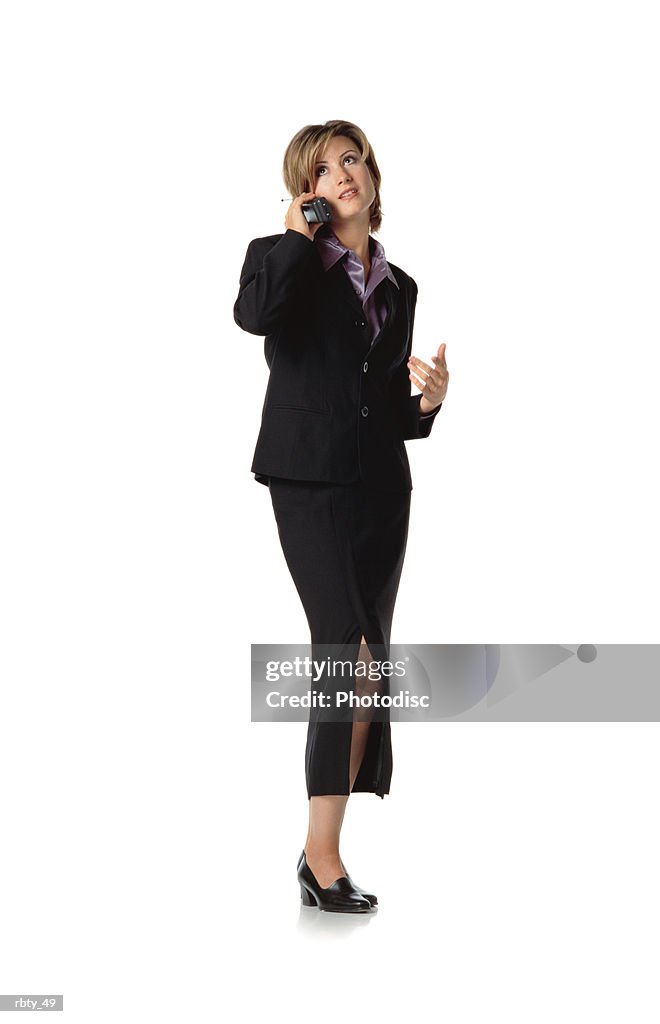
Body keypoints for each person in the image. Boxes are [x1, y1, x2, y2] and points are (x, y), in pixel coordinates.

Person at [233, 120, 449, 912]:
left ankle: (318, 850)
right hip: (307, 481)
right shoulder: (277, 259)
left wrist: (424, 403)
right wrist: (297, 238)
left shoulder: (400, 284)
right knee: (344, 653)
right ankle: (320, 857)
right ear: (308, 194)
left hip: (380, 488)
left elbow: (381, 402)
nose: (342, 174)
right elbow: (255, 317)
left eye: (350, 158)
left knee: (367, 669)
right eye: (321, 170)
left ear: (371, 173)